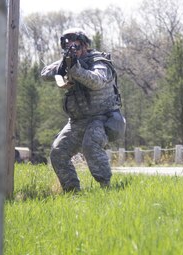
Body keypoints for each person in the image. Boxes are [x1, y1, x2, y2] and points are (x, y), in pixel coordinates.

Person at [40, 28, 125, 192]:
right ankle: (72, 191)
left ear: (85, 46)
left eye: (76, 47)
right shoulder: (68, 61)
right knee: (58, 152)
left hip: (102, 118)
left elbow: (97, 81)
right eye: (68, 47)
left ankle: (106, 188)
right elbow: (44, 73)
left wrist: (76, 71)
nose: (73, 50)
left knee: (90, 145)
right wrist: (64, 66)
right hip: (77, 121)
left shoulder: (99, 62)